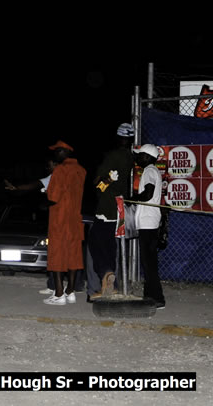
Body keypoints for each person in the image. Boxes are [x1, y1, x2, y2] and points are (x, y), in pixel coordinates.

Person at [88, 123, 135, 299]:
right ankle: (111, 284)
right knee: (110, 245)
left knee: (96, 243)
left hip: (106, 208)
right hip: (120, 208)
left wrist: (106, 180)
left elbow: (98, 185)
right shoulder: (131, 157)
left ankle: (106, 275)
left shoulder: (112, 156)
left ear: (117, 137)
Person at [43, 140, 87, 306]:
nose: (55, 154)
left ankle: (59, 293)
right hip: (75, 219)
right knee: (73, 255)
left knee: (57, 255)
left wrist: (44, 199)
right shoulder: (81, 170)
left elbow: (53, 197)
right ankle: (70, 291)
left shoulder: (60, 170)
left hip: (60, 219)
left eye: (57, 151)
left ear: (64, 152)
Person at [133, 144, 166, 309]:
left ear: (147, 157)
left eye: (140, 155)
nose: (137, 158)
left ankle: (157, 298)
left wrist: (132, 198)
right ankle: (149, 295)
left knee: (149, 262)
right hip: (149, 221)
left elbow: (148, 194)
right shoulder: (152, 171)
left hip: (148, 222)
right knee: (149, 262)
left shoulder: (149, 171)